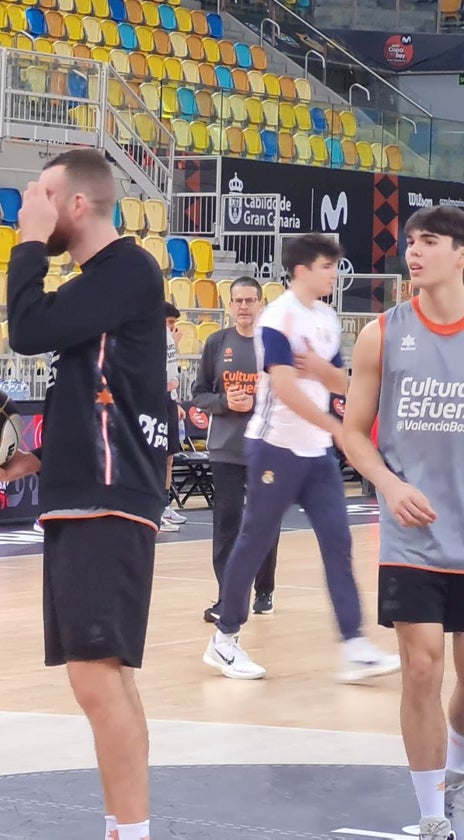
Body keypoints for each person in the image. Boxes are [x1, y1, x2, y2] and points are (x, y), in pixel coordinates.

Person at [0, 149, 169, 840]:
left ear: (76, 204)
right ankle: (123, 826)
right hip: (92, 486)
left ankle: (131, 831)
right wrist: (36, 461)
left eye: (44, 195)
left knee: (93, 677)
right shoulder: (104, 285)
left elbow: (27, 329)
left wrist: (26, 242)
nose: (33, 206)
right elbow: (107, 393)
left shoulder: (124, 269)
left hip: (108, 497)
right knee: (105, 676)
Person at [202, 233, 399, 683]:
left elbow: (341, 381)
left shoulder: (328, 317)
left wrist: (324, 378)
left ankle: (354, 644)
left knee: (338, 543)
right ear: (303, 270)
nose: (335, 273)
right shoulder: (278, 317)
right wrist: (337, 428)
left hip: (316, 454)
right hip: (274, 446)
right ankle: (224, 639)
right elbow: (285, 388)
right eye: (328, 266)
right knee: (253, 542)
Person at [341, 206, 464, 840]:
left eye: (431, 242)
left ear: (460, 254)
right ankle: (432, 816)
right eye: (411, 241)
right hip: (411, 534)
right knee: (422, 666)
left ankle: (456, 755)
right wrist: (388, 484)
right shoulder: (381, 335)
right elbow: (352, 432)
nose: (414, 252)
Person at [192, 276, 279, 622]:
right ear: (229, 306)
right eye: (238, 301)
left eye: (250, 300)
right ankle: (228, 597)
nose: (244, 307)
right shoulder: (216, 343)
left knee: (264, 521)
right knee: (226, 525)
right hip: (225, 449)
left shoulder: (274, 347)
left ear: (260, 304)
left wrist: (256, 401)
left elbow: (287, 396)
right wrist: (226, 402)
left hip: (267, 448)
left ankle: (265, 590)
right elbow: (199, 394)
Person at [161, 303, 186, 533]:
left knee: (169, 456)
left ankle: (164, 504)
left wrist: (176, 401)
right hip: (154, 399)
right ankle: (155, 506)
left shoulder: (169, 341)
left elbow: (172, 370)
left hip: (169, 398)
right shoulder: (152, 337)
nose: (173, 328)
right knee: (157, 456)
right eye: (169, 323)